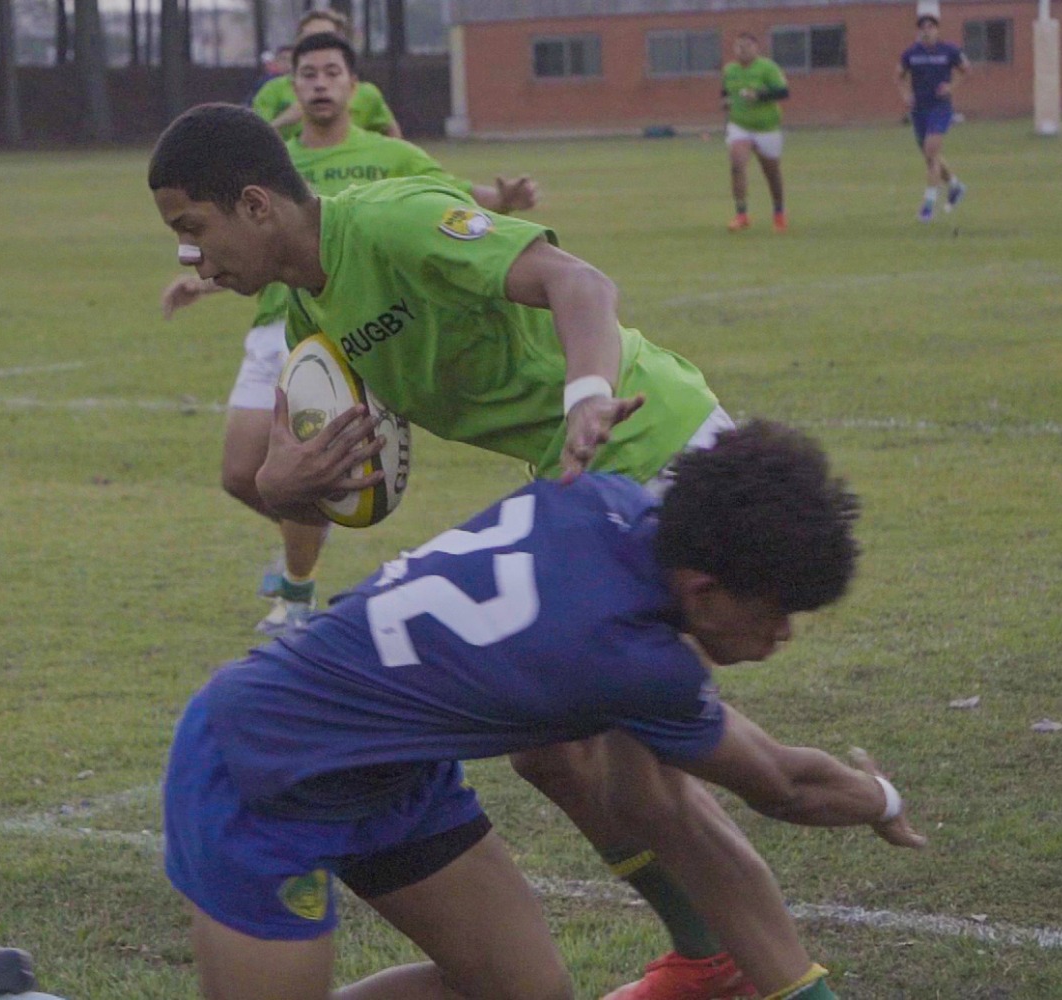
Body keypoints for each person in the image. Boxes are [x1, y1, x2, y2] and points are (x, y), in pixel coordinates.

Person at [151, 102, 837, 1000]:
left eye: (193, 230)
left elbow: (577, 282)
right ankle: (706, 955)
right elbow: (309, 471)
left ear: (255, 204)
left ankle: (731, 967)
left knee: (648, 783)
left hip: (645, 445)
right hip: (574, 480)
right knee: (554, 753)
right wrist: (288, 486)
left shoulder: (390, 222)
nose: (196, 260)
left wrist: (587, 393)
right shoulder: (306, 313)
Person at [164, 421, 926, 1000]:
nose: (782, 635)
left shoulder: (602, 496)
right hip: (262, 767)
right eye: (776, 613)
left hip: (395, 778)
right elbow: (780, 786)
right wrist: (880, 799)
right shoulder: (633, 661)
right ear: (702, 590)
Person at [162, 33, 537, 637]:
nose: (318, 84)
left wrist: (503, 200)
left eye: (330, 72)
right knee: (240, 473)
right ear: (292, 83)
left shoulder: (387, 157)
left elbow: (449, 197)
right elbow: (239, 241)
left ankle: (297, 589)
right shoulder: (270, 161)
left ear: (353, 87)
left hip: (349, 330)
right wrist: (202, 285)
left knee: (309, 460)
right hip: (282, 323)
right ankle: (312, 525)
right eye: (306, 73)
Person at [253, 8, 401, 140]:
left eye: (326, 37)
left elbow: (392, 136)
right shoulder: (271, 90)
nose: (319, 44)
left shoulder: (367, 94)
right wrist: (284, 119)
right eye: (310, 38)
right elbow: (253, 139)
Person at [897, 14, 970, 222]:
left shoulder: (949, 51)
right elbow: (898, 76)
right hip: (920, 110)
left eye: (931, 26)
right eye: (923, 27)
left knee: (930, 152)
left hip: (940, 108)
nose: (927, 30)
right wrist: (905, 95)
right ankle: (955, 186)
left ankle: (928, 204)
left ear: (937, 29)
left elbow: (966, 70)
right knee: (931, 156)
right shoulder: (911, 53)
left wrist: (951, 87)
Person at [721, 33, 789, 233]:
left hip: (766, 127)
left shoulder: (767, 68)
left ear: (756, 48)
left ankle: (779, 212)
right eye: (739, 47)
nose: (742, 50)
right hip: (740, 124)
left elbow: (783, 92)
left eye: (747, 46)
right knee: (737, 163)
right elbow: (726, 92)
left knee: (771, 172)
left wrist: (759, 95)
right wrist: (725, 102)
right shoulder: (730, 70)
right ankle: (741, 214)